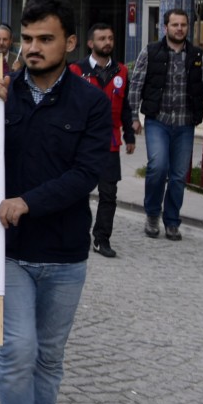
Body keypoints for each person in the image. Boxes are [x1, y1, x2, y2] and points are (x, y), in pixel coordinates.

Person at [0, 0, 111, 404]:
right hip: (11, 253)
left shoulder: (92, 102)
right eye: (28, 39)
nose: (32, 48)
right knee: (18, 352)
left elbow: (87, 174)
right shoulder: (2, 96)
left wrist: (28, 202)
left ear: (70, 43)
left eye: (45, 39)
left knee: (49, 358)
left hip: (64, 255)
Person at [127, 9, 203, 241]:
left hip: (185, 123)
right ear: (165, 27)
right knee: (158, 167)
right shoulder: (150, 52)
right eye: (175, 24)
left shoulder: (197, 55)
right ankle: (151, 214)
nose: (179, 29)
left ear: (188, 28)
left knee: (178, 175)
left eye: (183, 25)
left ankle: (171, 221)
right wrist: (133, 117)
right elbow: (136, 85)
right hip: (158, 121)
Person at [69, 24, 136, 258]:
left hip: (109, 143)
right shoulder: (77, 70)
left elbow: (125, 106)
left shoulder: (122, 71)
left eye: (110, 38)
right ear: (90, 43)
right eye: (101, 38)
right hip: (82, 142)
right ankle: (77, 234)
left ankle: (102, 238)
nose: (107, 42)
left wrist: (129, 135)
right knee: (78, 192)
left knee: (108, 194)